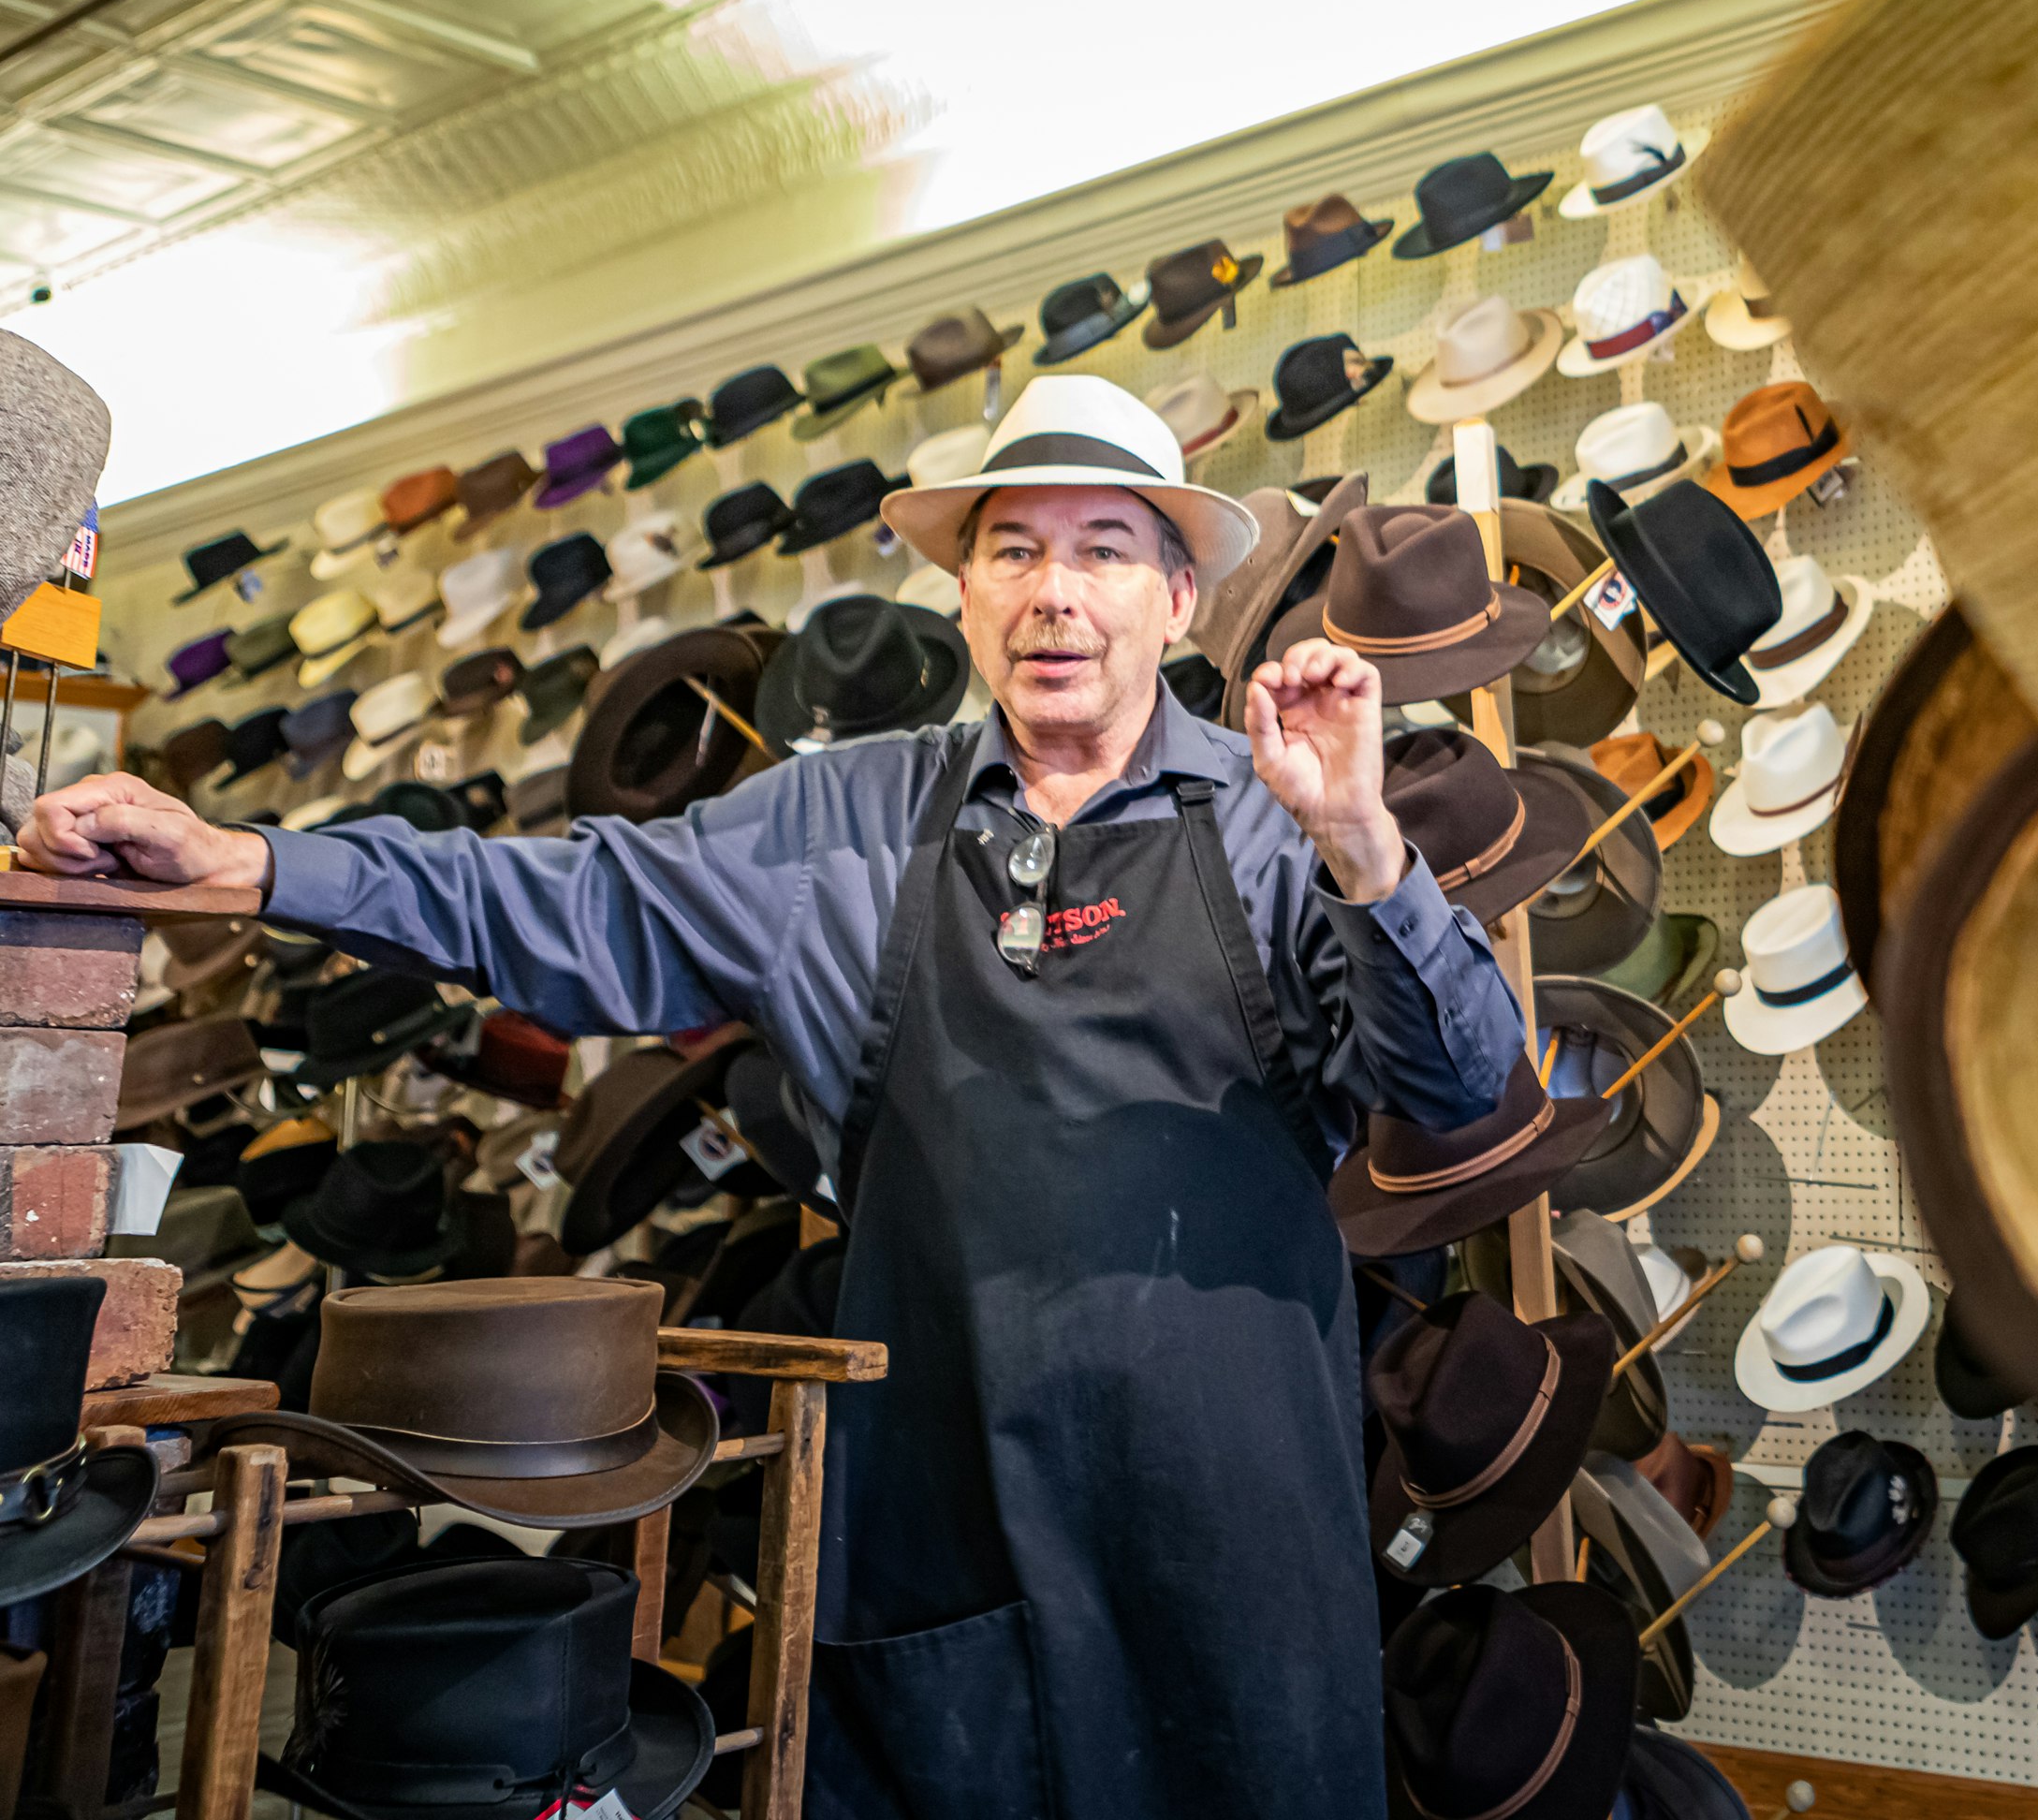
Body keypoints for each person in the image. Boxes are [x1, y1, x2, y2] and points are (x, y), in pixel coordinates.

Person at [23, 375, 1523, 1820]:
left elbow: (1457, 1090)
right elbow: (559, 900)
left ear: (1177, 600)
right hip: (947, 1543)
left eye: (1105, 551)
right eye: (1015, 550)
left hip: (1235, 1563)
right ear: (967, 591)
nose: (1054, 592)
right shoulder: (844, 823)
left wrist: (1369, 850)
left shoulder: (1283, 823)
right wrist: (253, 863)